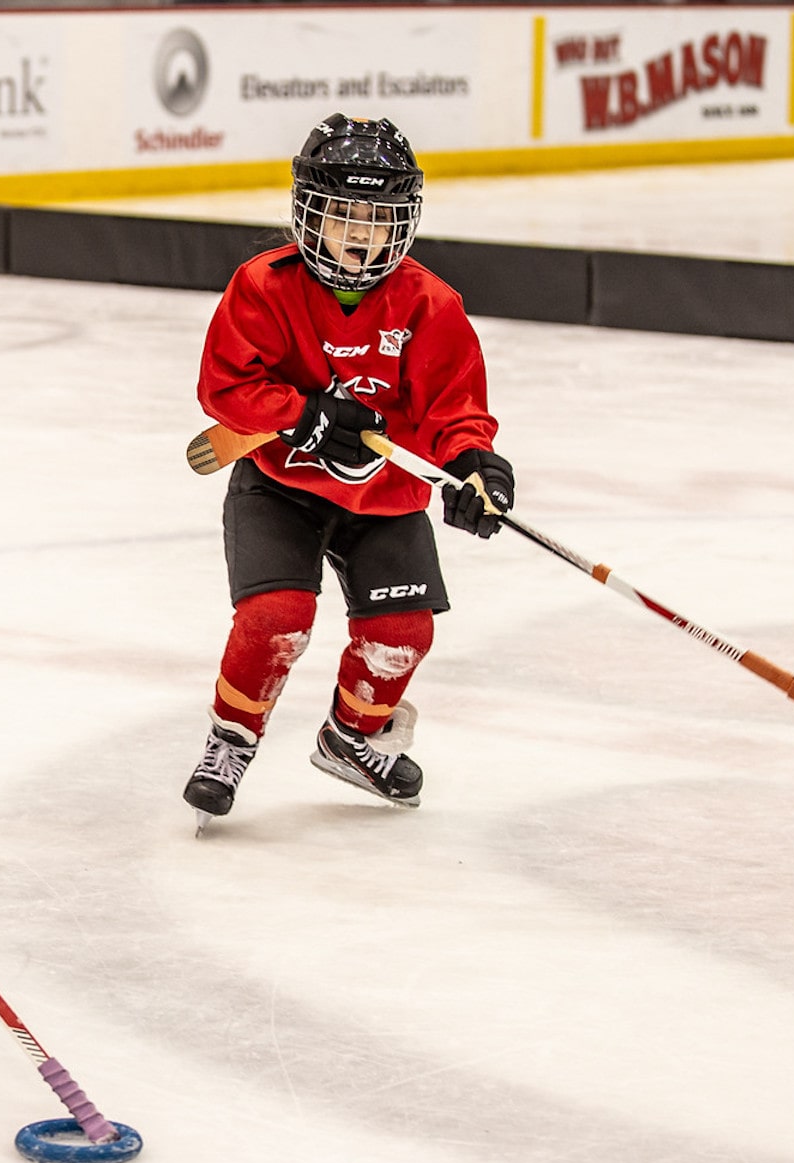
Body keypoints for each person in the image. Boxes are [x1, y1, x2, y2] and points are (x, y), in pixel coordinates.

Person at [182, 113, 517, 827]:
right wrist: (305, 412)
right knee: (277, 617)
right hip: (281, 483)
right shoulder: (262, 286)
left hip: (385, 495)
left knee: (403, 628)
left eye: (377, 216)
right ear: (310, 213)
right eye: (342, 214)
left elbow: (454, 406)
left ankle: (354, 737)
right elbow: (225, 390)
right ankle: (230, 740)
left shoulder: (431, 304)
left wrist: (473, 465)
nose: (360, 232)